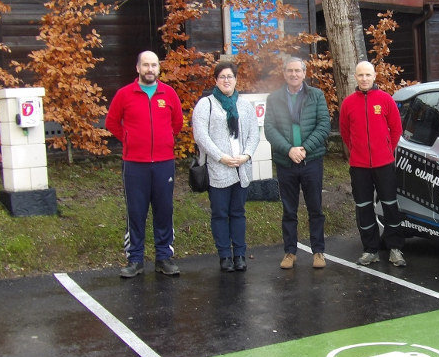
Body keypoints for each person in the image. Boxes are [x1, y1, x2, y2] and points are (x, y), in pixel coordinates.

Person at [106, 51, 183, 278]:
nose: (150, 69)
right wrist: (129, 139)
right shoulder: (124, 94)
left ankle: (163, 257)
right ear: (137, 68)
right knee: (136, 212)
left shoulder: (168, 94)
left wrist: (165, 139)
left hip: (163, 163)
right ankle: (135, 259)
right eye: (146, 65)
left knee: (164, 210)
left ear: (159, 68)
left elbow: (177, 123)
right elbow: (111, 122)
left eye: (154, 65)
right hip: (134, 165)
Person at [191, 61, 260, 272]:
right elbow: (201, 136)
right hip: (218, 168)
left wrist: (246, 154)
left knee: (238, 213)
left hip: (241, 168)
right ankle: (224, 256)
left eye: (230, 76)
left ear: (236, 79)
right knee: (220, 213)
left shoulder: (244, 106)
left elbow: (253, 134)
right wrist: (221, 157)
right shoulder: (206, 104)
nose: (226, 80)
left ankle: (239, 254)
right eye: (222, 77)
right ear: (215, 80)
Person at [264, 57, 331, 269]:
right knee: (289, 209)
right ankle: (289, 252)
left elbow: (323, 125)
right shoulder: (274, 98)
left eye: (298, 71)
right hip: (286, 161)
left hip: (310, 160)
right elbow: (269, 128)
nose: (294, 74)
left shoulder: (316, 95)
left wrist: (305, 148)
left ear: (304, 73)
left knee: (315, 208)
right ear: (284, 74)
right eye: (290, 71)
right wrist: (289, 149)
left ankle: (318, 251)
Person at [339, 61, 406, 267]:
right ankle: (370, 249)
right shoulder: (348, 103)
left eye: (368, 74)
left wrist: (386, 150)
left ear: (375, 75)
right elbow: (345, 132)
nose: (364, 79)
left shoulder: (385, 100)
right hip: (359, 166)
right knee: (364, 207)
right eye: (360, 75)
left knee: (390, 205)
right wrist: (357, 151)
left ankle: (395, 248)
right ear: (355, 77)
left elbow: (396, 129)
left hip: (384, 164)